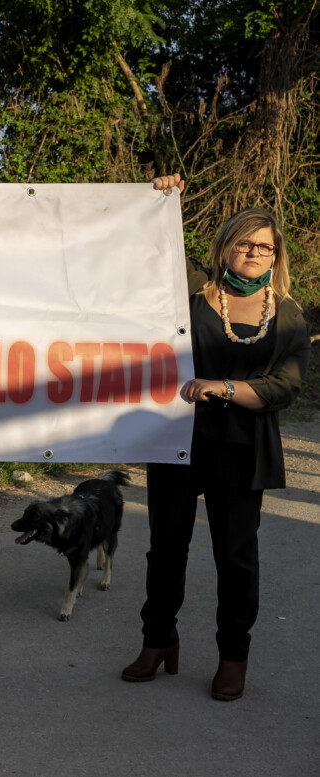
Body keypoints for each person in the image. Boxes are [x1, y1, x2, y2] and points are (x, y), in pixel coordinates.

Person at [121, 174, 311, 701]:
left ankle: (233, 656)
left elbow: (285, 386)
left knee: (236, 555)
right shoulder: (191, 294)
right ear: (226, 245)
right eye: (244, 242)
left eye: (264, 246)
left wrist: (223, 387)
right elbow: (147, 249)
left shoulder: (289, 313)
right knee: (165, 549)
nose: (253, 252)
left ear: (276, 256)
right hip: (177, 441)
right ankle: (158, 642)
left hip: (243, 447)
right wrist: (158, 197)